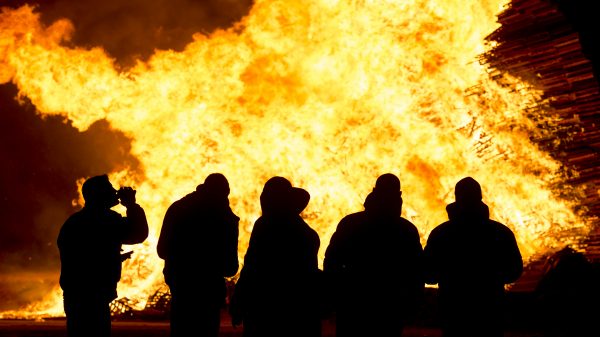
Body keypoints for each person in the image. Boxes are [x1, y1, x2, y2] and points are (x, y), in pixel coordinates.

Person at [324, 173, 424, 337]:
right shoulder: (406, 231)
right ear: (399, 197)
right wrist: (411, 303)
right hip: (390, 308)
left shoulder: (350, 223)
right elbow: (417, 272)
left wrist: (337, 296)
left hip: (353, 306)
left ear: (374, 192)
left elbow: (332, 263)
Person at [423, 177, 523, 337]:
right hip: (490, 311)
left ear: (457, 197)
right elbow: (514, 271)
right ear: (480, 197)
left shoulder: (441, 233)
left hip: (453, 311)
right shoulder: (500, 232)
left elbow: (429, 275)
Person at [57, 174, 148, 337]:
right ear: (100, 195)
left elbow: (85, 256)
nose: (115, 192)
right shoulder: (107, 220)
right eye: (110, 189)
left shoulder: (74, 222)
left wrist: (112, 257)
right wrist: (131, 205)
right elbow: (138, 233)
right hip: (94, 294)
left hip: (76, 293)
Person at [230, 176, 322, 337]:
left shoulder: (266, 225)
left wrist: (238, 302)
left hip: (268, 309)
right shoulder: (306, 232)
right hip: (301, 310)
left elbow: (253, 267)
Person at [157, 173, 239, 337]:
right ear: (225, 193)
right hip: (208, 291)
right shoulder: (225, 217)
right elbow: (230, 267)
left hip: (181, 287)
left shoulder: (178, 208)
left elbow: (162, 250)